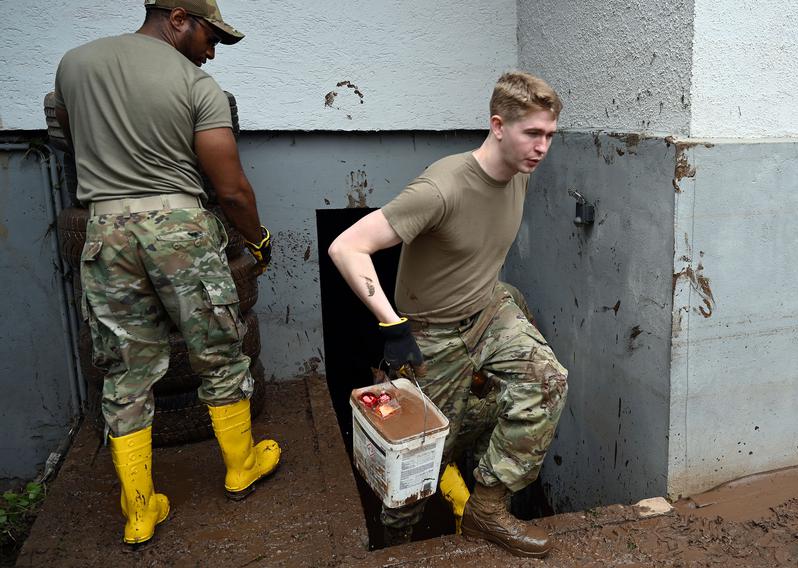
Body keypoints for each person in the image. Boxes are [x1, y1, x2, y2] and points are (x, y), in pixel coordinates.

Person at [54, 0, 280, 546]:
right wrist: (258, 240)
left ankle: (139, 511)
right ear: (177, 18)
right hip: (180, 227)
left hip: (105, 229)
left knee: (126, 370)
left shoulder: (74, 64)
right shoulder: (196, 86)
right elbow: (229, 188)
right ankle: (240, 466)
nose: (212, 51)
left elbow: (68, 131)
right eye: (211, 36)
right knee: (221, 350)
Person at [329, 71, 568, 559]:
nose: (542, 148)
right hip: (430, 333)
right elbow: (347, 245)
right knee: (418, 465)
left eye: (549, 136)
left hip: (486, 310)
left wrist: (510, 304)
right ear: (498, 125)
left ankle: (487, 508)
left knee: (548, 382)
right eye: (532, 134)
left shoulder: (522, 170)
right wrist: (392, 325)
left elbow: (479, 253)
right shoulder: (440, 188)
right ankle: (396, 547)